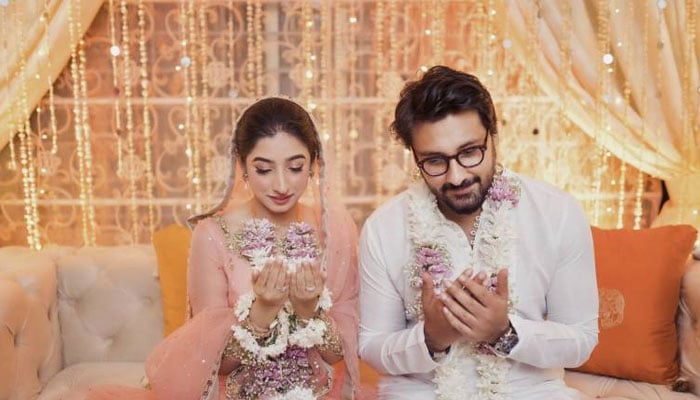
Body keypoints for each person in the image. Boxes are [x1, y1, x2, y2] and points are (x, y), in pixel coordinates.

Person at [69, 97, 361, 400]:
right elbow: (214, 363)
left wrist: (308, 312)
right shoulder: (213, 234)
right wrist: (262, 312)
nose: (282, 185)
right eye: (264, 169)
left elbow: (337, 355)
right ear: (242, 166)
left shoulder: (333, 230)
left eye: (295, 167)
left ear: (313, 164)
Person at [358, 65, 599, 400]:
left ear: (493, 136)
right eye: (435, 161)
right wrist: (430, 338)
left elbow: (581, 340)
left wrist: (506, 333)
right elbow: (372, 345)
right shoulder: (383, 229)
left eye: (470, 152)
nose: (456, 176)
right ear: (414, 157)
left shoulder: (557, 213)